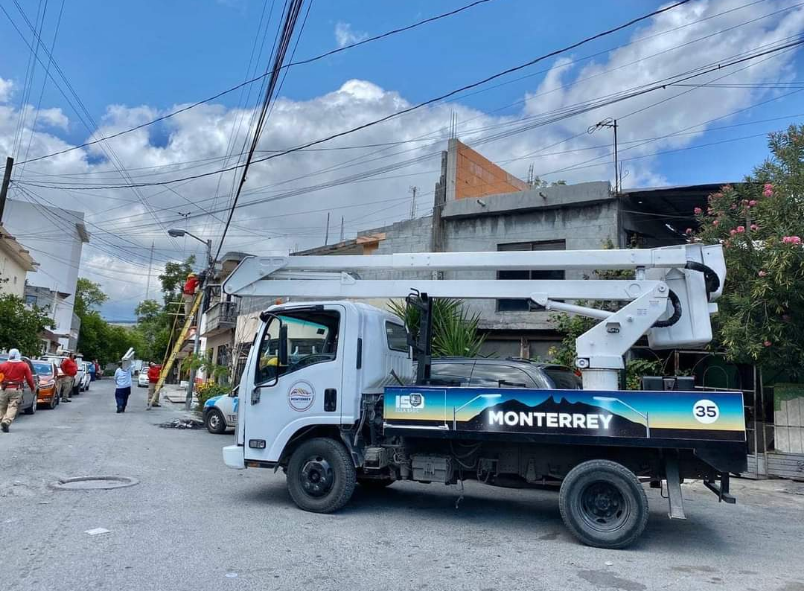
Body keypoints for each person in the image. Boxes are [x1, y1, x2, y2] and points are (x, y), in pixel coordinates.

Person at [0, 349, 36, 433]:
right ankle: (6, 421)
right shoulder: (24, 365)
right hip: (17, 388)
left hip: (4, 388)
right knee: (12, 406)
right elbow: (29, 378)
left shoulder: (3, 365)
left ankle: (2, 420)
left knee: (2, 406)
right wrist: (32, 388)